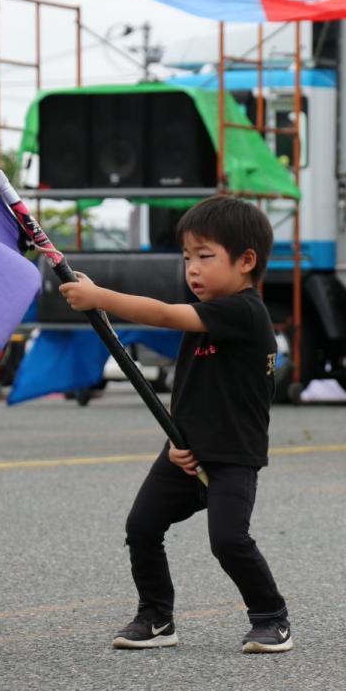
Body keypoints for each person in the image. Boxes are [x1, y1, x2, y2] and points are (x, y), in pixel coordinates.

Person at [60, 194, 293, 654]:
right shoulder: (210, 317)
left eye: (206, 257)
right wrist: (176, 442)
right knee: (142, 526)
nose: (193, 269)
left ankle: (271, 617)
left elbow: (165, 315)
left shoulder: (243, 312)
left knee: (228, 540)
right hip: (185, 451)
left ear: (246, 262)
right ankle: (156, 616)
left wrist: (100, 298)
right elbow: (197, 390)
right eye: (188, 257)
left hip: (232, 457)